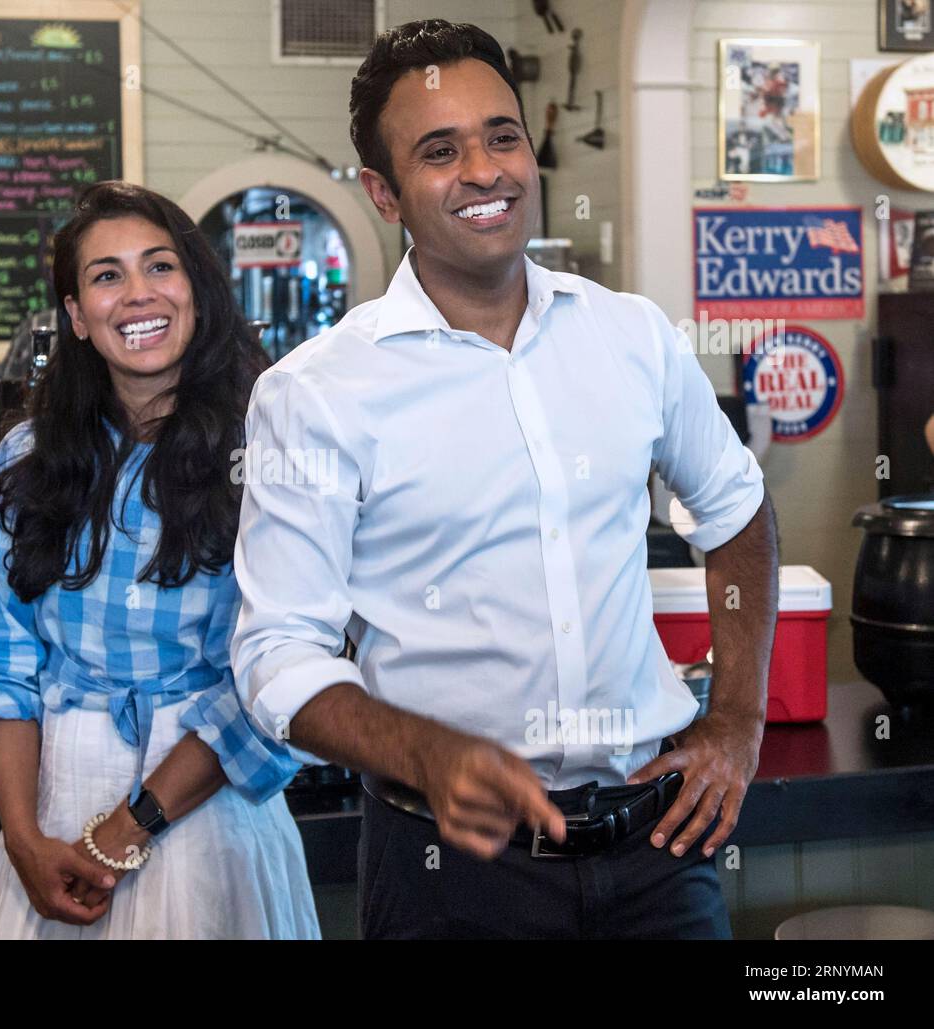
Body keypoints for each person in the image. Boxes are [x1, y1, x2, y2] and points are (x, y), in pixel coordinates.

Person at [231, 20, 779, 940]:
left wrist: (737, 717)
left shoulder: (632, 335)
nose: (485, 170)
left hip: (658, 853)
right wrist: (427, 750)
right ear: (384, 191)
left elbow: (735, 511)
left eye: (502, 135)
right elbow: (276, 654)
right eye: (440, 151)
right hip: (453, 874)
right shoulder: (316, 393)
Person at [0, 181, 319, 940]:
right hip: (50, 820)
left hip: (210, 817)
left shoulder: (275, 450)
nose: (137, 294)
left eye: (159, 267)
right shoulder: (27, 457)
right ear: (77, 316)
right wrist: (20, 836)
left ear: (198, 292)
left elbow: (282, 677)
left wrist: (126, 829)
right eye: (106, 276)